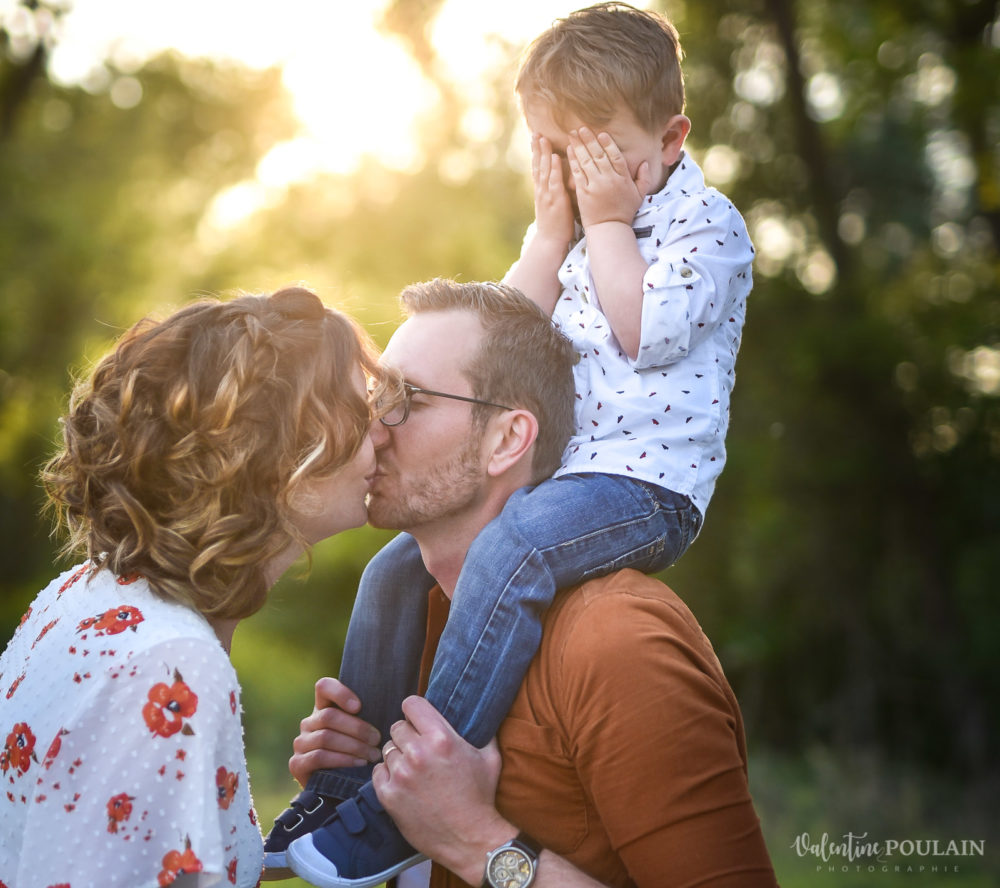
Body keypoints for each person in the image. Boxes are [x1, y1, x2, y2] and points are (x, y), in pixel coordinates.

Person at [271, 3, 755, 884]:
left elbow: (645, 333)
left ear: (672, 136)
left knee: (515, 547)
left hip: (646, 488)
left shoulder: (705, 228)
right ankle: (349, 791)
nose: (582, 172)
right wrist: (550, 232)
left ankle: (392, 809)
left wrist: (603, 224)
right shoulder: (579, 234)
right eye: (555, 150)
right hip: (575, 479)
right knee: (390, 572)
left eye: (601, 146)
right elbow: (509, 339)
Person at [286, 278, 777, 887]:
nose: (376, 427)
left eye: (409, 398)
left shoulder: (617, 643)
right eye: (378, 394)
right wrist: (359, 783)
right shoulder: (415, 620)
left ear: (508, 439)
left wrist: (479, 843)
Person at [0, 287, 400, 888]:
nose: (383, 434)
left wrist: (294, 820)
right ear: (270, 451)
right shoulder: (169, 665)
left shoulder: (86, 593)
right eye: (361, 412)